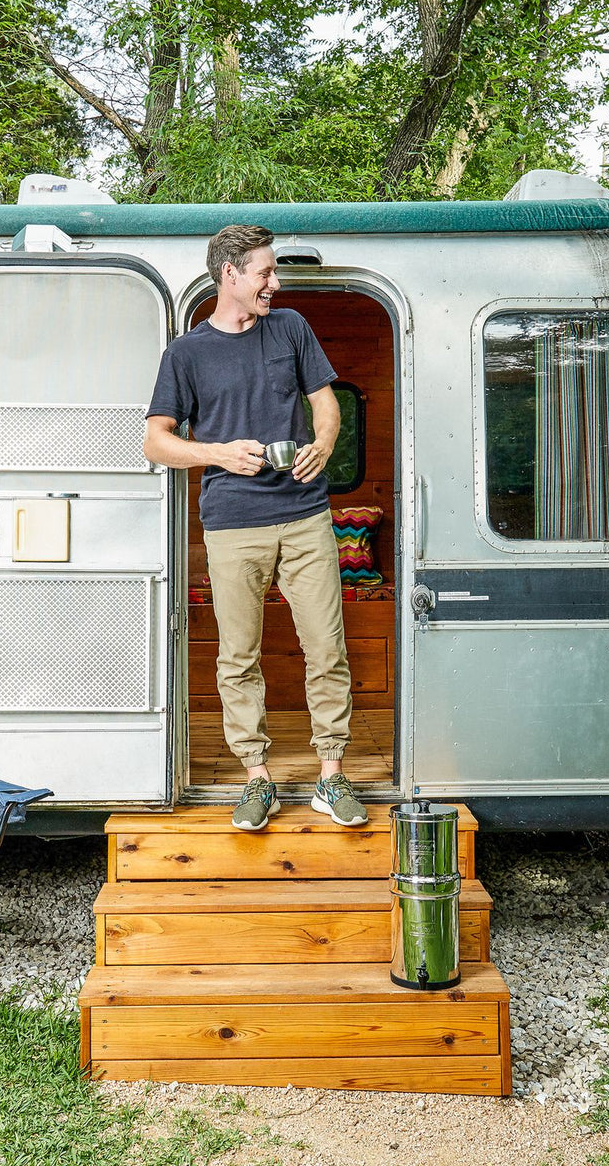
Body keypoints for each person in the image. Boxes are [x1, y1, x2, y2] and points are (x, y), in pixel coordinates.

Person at [143, 224, 367, 832]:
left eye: (274, 273)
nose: (276, 282)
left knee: (326, 646)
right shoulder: (186, 354)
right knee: (238, 656)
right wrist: (217, 453)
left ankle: (330, 774)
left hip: (304, 515)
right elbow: (155, 442)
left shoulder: (290, 327)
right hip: (232, 524)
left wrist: (324, 442)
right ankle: (257, 778)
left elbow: (326, 401)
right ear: (230, 276)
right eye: (265, 273)